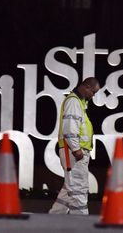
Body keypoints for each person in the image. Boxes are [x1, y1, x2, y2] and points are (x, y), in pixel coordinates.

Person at [49, 77, 100, 215]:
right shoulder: (74, 101)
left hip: (72, 151)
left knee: (70, 188)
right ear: (87, 87)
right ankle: (82, 225)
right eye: (93, 92)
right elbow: (70, 127)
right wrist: (76, 149)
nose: (93, 95)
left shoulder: (78, 102)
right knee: (78, 189)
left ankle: (53, 219)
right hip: (73, 152)